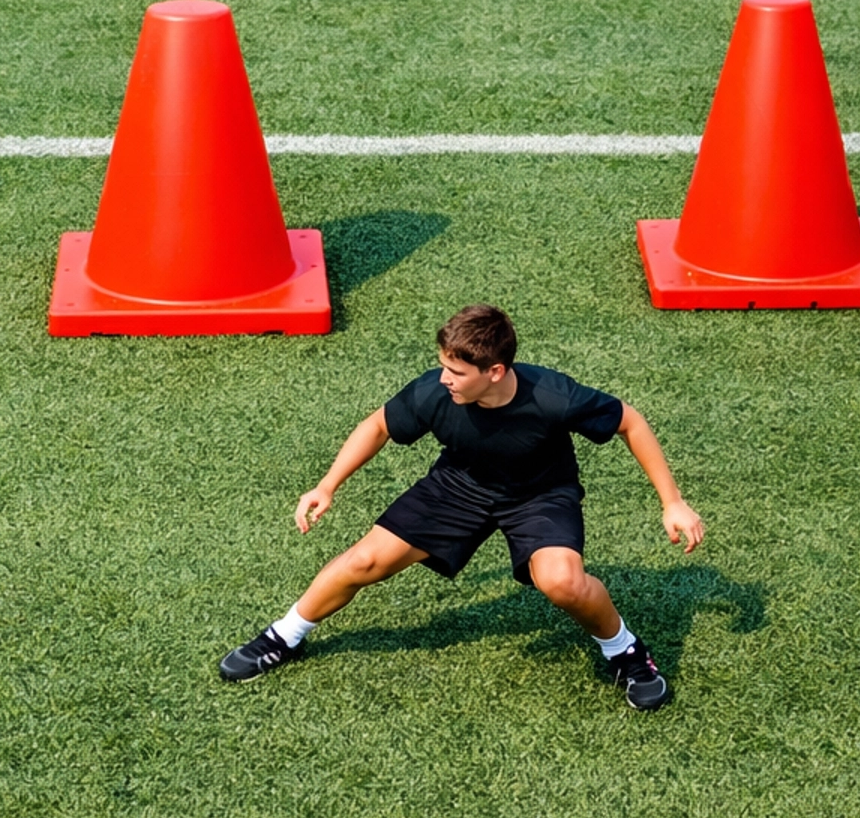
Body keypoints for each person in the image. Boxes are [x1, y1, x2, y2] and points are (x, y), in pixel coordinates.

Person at [219, 302, 702, 708]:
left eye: (456, 371)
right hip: (460, 485)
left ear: (494, 372)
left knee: (562, 582)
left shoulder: (553, 397)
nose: (444, 378)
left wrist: (672, 502)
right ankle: (283, 636)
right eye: (444, 365)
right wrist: (327, 486)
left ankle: (625, 652)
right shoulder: (436, 391)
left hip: (539, 493)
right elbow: (378, 426)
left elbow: (629, 423)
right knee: (364, 560)